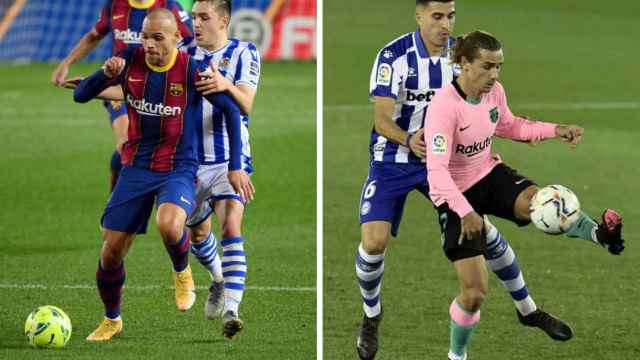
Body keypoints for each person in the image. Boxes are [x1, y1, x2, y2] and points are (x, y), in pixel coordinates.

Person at [356, 1, 573, 358]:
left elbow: (495, 114)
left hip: (446, 164)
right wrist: (410, 140)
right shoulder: (393, 57)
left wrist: (538, 130)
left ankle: (529, 309)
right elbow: (381, 120)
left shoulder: (462, 57)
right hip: (393, 159)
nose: (445, 24)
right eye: (437, 16)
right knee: (374, 243)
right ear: (419, 15)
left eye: (451, 16)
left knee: (482, 232)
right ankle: (371, 316)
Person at [424, 30, 624, 360]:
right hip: (454, 193)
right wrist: (465, 211)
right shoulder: (444, 108)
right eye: (487, 67)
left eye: (499, 67)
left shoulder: (494, 93)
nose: (494, 75)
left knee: (543, 202)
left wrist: (554, 130)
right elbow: (436, 173)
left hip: (489, 174)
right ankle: (456, 355)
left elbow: (510, 125)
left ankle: (599, 235)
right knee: (474, 294)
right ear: (463, 64)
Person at [73, 8, 243, 341]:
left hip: (179, 167)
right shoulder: (128, 60)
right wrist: (102, 73)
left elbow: (232, 114)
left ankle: (182, 272)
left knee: (169, 224)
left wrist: (236, 164)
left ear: (177, 40)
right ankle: (112, 319)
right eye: (145, 36)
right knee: (110, 252)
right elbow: (81, 95)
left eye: (157, 37)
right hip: (136, 166)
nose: (148, 43)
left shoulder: (193, 71)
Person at [51, 0, 195, 190]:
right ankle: (119, 196)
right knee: (125, 142)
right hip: (119, 88)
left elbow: (190, 44)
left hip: (158, 91)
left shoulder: (169, 7)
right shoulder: (114, 5)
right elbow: (95, 35)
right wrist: (67, 62)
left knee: (149, 145)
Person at [184, 0, 259, 339]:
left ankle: (232, 309)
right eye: (194, 17)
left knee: (230, 225)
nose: (196, 23)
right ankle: (217, 278)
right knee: (197, 234)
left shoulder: (244, 52)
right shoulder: (183, 52)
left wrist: (225, 84)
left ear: (223, 20)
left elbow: (246, 104)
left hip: (231, 157)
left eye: (204, 17)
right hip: (188, 161)